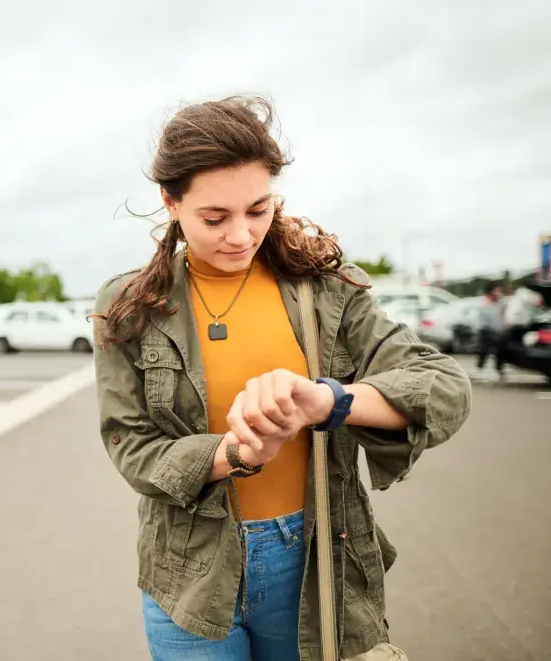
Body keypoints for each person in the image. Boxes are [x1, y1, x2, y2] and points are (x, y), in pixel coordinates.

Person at [91, 96, 472, 661]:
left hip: (313, 554)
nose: (241, 235)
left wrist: (328, 401)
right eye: (215, 218)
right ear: (171, 202)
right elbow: (131, 446)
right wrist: (238, 452)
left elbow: (442, 386)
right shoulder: (129, 305)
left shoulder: (328, 289)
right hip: (188, 566)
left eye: (258, 208)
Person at [475, 281, 506, 379]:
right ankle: (479, 368)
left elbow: (501, 317)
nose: (498, 293)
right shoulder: (483, 304)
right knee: (483, 350)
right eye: (497, 291)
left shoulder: (499, 303)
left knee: (500, 351)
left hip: (498, 331)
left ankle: (499, 369)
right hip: (486, 330)